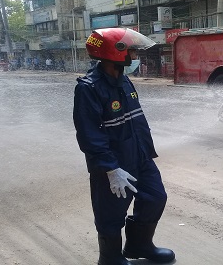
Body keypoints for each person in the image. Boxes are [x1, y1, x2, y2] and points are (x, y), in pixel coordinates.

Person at [73, 28, 175, 265]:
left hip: (140, 156)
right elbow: (89, 135)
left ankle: (140, 244)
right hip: (113, 164)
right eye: (130, 49)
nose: (134, 54)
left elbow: (134, 120)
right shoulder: (88, 87)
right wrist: (111, 169)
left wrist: (146, 151)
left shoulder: (123, 78)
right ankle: (109, 258)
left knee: (155, 197)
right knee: (111, 212)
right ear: (114, 51)